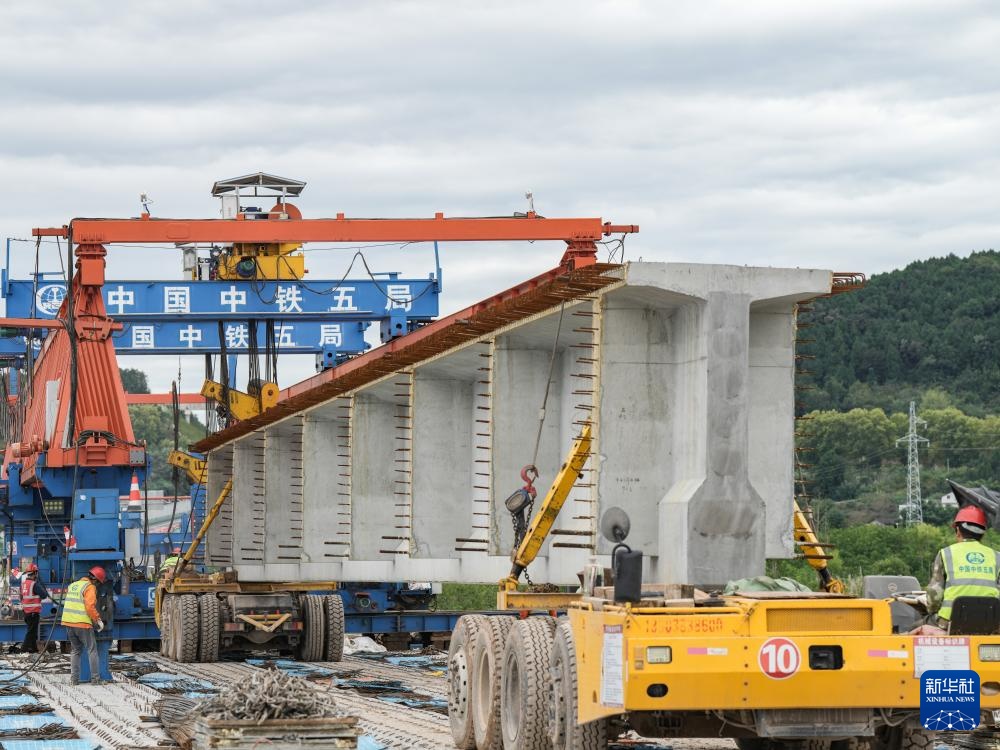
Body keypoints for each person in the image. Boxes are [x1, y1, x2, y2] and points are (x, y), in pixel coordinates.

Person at [926, 505, 1000, 628]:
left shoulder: (946, 553)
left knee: (916, 625)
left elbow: (935, 595)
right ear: (982, 534)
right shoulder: (996, 556)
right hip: (991, 622)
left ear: (958, 531)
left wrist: (931, 610)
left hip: (950, 622)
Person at [60, 567, 106, 685]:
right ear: (95, 580)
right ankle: (95, 680)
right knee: (92, 649)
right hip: (82, 623)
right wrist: (98, 619)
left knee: (75, 650)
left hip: (68, 622)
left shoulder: (73, 585)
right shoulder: (90, 587)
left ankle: (74, 680)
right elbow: (90, 606)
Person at [18, 564, 50, 654]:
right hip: (33, 613)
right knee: (31, 632)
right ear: (35, 573)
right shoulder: (34, 584)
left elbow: (21, 597)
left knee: (33, 632)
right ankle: (23, 651)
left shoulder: (23, 584)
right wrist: (40, 586)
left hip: (26, 612)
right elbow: (44, 595)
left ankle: (33, 650)